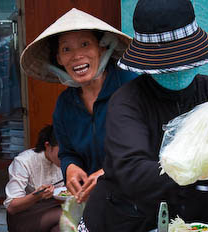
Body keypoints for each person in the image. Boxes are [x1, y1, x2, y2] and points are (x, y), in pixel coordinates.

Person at [78, 0, 208, 232]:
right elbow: (134, 171)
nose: (177, 72)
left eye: (184, 61)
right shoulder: (127, 102)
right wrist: (206, 172)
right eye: (167, 66)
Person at [20, 8, 137, 204]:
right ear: (58, 59)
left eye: (85, 44)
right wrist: (71, 168)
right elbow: (68, 153)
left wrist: (109, 172)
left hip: (137, 201)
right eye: (67, 49)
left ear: (101, 48)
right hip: (95, 204)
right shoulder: (65, 105)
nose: (77, 56)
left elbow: (149, 146)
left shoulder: (131, 87)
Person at [4, 125, 70, 232]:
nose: (66, 156)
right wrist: (36, 196)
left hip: (51, 215)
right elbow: (12, 207)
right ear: (48, 146)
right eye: (62, 151)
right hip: (23, 219)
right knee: (69, 215)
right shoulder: (24, 162)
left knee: (60, 227)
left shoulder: (66, 163)